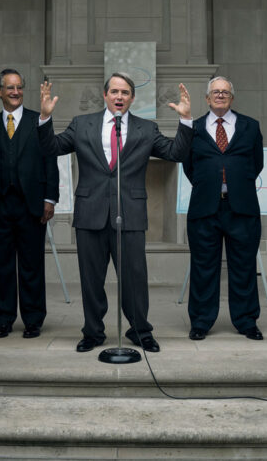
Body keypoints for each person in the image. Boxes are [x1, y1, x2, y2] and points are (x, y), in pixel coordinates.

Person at [38, 73, 192, 353]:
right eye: (114, 92)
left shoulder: (146, 128)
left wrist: (186, 121)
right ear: (105, 95)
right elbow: (51, 148)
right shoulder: (82, 124)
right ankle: (93, 332)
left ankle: (140, 331)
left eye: (125, 93)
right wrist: (45, 119)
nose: (119, 97)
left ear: (132, 98)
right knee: (91, 279)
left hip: (130, 213)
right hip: (90, 213)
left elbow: (176, 153)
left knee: (134, 277)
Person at [0, 68, 59, 339]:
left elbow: (50, 162)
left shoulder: (39, 121)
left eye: (19, 87)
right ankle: (3, 319)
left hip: (32, 206)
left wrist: (50, 198)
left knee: (32, 265)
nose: (15, 92)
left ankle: (33, 319)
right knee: (2, 266)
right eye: (10, 87)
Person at [183, 76, 264, 341]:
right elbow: (189, 166)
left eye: (225, 92)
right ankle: (201, 322)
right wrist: (211, 182)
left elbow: (256, 163)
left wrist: (236, 181)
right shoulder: (193, 129)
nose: (220, 95)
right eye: (215, 92)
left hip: (242, 207)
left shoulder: (250, 126)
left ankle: (246, 321)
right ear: (207, 98)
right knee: (203, 267)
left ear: (232, 98)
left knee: (243, 267)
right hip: (205, 208)